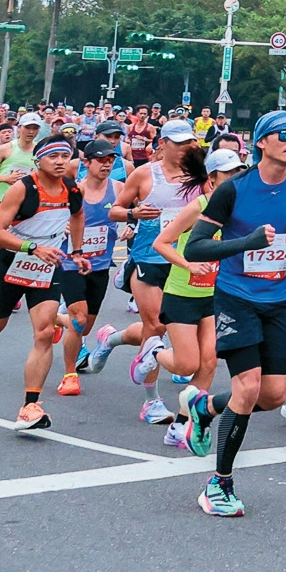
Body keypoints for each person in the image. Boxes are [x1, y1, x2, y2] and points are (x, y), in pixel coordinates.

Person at [167, 111, 286, 517]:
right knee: (248, 389)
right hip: (236, 296)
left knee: (273, 394)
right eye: (285, 134)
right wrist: (246, 242)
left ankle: (206, 407)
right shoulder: (233, 190)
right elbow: (195, 248)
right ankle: (219, 484)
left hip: (277, 301)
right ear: (263, 143)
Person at [0, 133, 88, 431]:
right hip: (14, 263)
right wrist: (32, 248)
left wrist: (76, 250)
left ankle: (30, 406)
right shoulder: (23, 189)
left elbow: (77, 215)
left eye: (65, 156)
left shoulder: (72, 188)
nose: (60, 162)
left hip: (47, 267)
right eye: (53, 157)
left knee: (45, 332)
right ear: (39, 161)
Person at [86, 119, 200, 424]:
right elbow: (114, 210)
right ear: (162, 144)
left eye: (189, 142)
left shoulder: (198, 176)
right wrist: (134, 213)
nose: (184, 149)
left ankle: (110, 339)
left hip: (183, 261)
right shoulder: (145, 174)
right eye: (178, 143)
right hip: (148, 258)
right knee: (157, 326)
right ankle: (152, 401)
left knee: (161, 328)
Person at [151, 146, 243, 451]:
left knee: (209, 362)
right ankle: (153, 351)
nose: (235, 179)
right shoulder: (198, 208)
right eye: (229, 174)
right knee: (185, 363)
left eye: (238, 173)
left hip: (214, 296)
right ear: (212, 180)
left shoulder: (238, 213)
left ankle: (180, 425)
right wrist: (188, 264)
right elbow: (161, 243)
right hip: (181, 293)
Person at [56, 138, 123, 396]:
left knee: (83, 326)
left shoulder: (118, 189)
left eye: (111, 160)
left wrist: (129, 226)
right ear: (86, 162)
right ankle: (70, 374)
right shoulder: (74, 191)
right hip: (70, 263)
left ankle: (54, 319)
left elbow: (131, 212)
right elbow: (54, 216)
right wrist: (61, 226)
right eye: (101, 160)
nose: (107, 165)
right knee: (79, 318)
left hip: (100, 265)